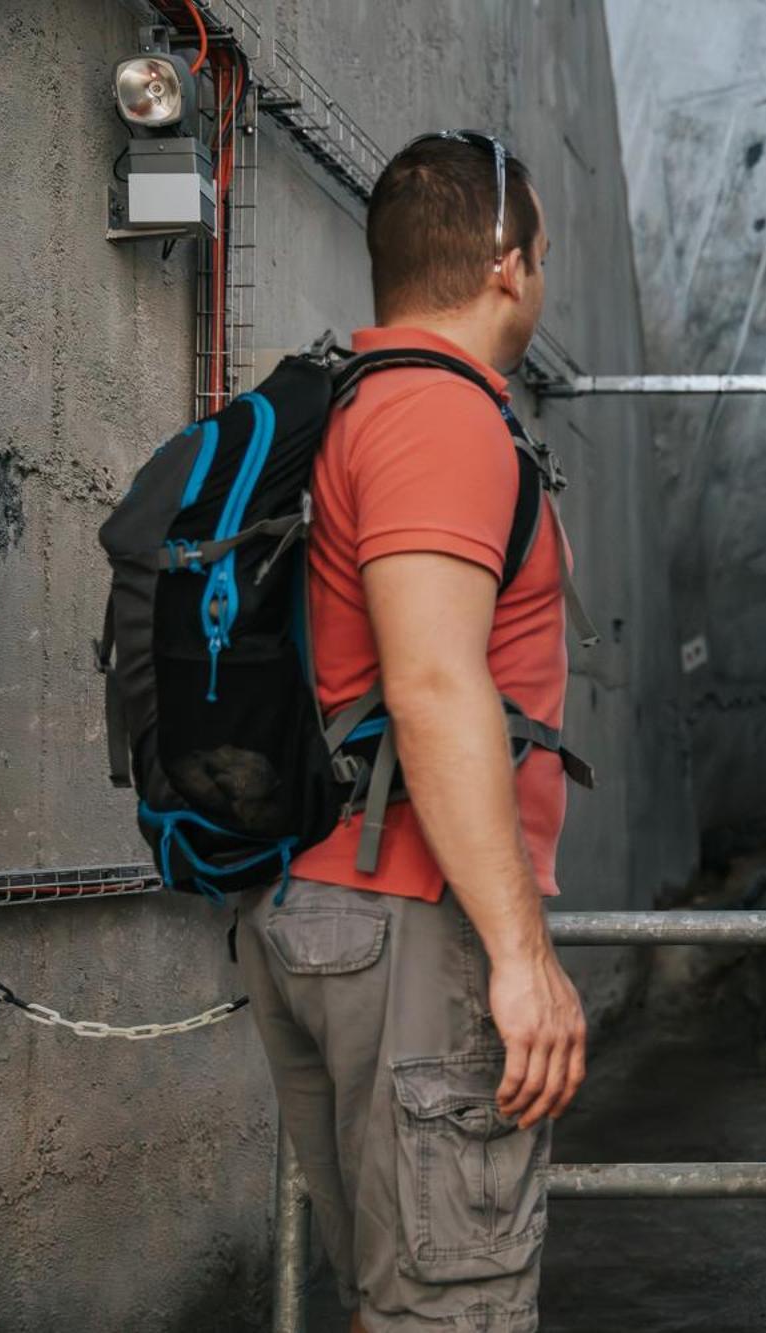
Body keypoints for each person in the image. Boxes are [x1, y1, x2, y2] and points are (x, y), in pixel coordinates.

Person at [236, 132, 585, 1333]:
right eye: (541, 255)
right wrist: (521, 954)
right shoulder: (439, 420)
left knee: (396, 1292)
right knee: (452, 1306)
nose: (542, 277)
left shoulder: (354, 403)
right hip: (408, 917)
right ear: (505, 266)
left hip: (327, 902)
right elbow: (435, 683)